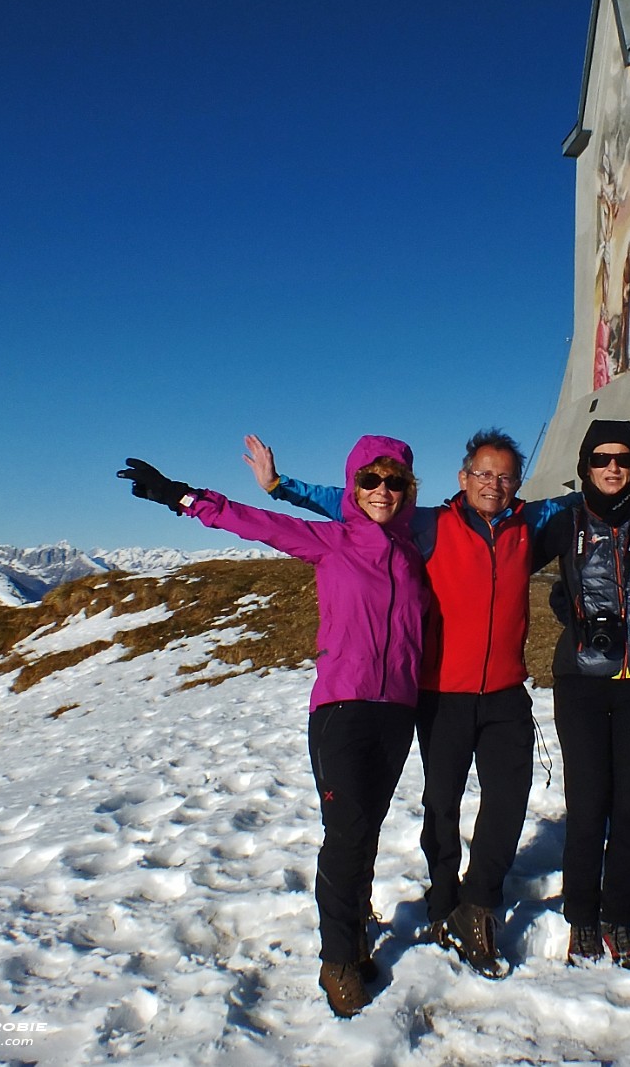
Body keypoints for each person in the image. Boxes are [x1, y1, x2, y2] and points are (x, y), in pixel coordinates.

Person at [246, 429, 580, 979]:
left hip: (504, 691)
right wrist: (283, 487)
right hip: (440, 692)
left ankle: (479, 905)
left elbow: (590, 497)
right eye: (483, 474)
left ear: (517, 482)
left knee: (508, 800)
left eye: (504, 476)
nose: (493, 485)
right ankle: (443, 902)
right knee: (441, 805)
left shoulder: (529, 522)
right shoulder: (429, 522)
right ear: (462, 478)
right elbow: (353, 500)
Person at [117, 436, 429, 1019]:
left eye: (394, 482)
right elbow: (252, 522)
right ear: (353, 489)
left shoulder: (415, 550)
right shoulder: (331, 541)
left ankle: (355, 929)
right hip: (341, 707)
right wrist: (179, 496)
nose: (382, 492)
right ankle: (337, 960)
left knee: (367, 830)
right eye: (370, 481)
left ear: (408, 490)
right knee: (346, 833)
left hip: (399, 710)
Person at [536, 420, 630, 970]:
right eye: (601, 459)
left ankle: (620, 913)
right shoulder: (565, 521)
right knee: (588, 803)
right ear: (584, 466)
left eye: (623, 459)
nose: (612, 468)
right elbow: (505, 540)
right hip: (582, 682)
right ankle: (582, 916)